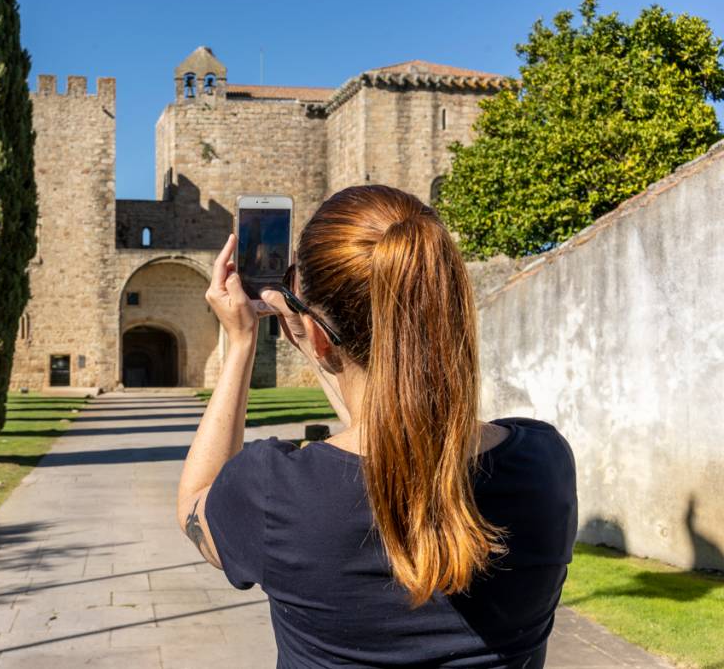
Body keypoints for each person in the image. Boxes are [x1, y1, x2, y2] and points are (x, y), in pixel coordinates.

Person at [176, 185, 578, 668]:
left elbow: (196, 501)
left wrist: (242, 342)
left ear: (322, 339)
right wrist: (313, 334)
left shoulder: (276, 492)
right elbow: (388, 430)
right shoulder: (543, 462)